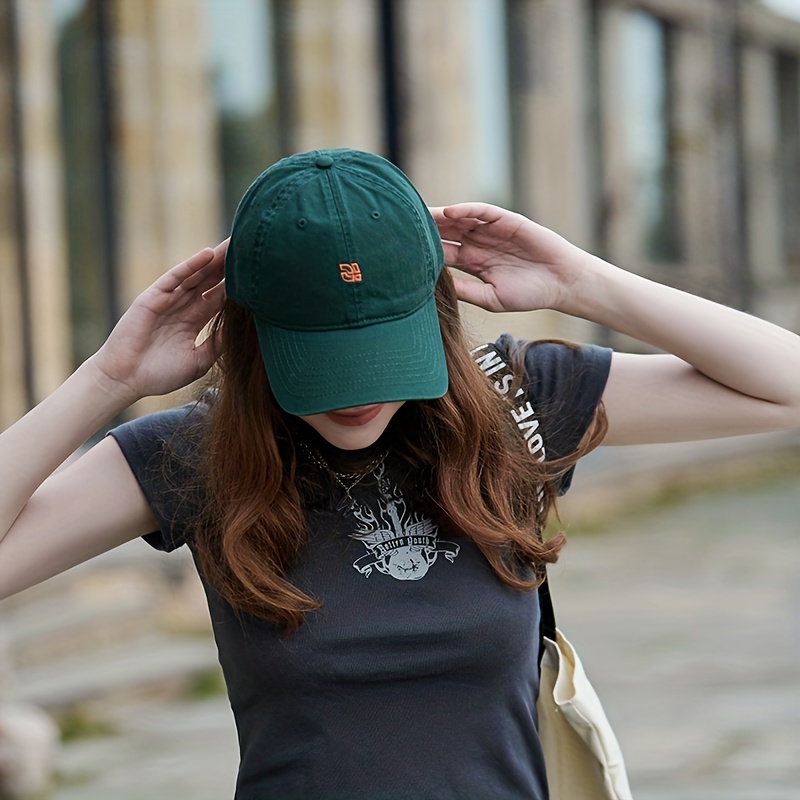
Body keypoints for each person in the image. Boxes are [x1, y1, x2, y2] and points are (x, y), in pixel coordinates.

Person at [0, 148, 798, 799]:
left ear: (435, 314)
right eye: (325, 365)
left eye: (384, 353)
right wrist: (108, 377)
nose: (360, 397)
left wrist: (586, 284)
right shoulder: (199, 455)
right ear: (253, 339)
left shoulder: (512, 405)